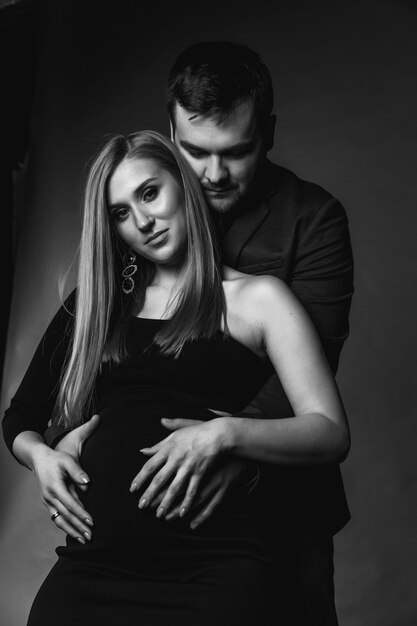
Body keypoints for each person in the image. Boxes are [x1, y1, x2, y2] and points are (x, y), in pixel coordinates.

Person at [17, 42, 354, 624]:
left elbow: (305, 380)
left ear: (267, 133)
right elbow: (92, 379)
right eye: (196, 153)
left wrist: (224, 441)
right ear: (172, 143)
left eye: (237, 152)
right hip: (104, 560)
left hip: (259, 521)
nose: (214, 174)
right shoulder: (126, 267)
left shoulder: (311, 222)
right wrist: (62, 443)